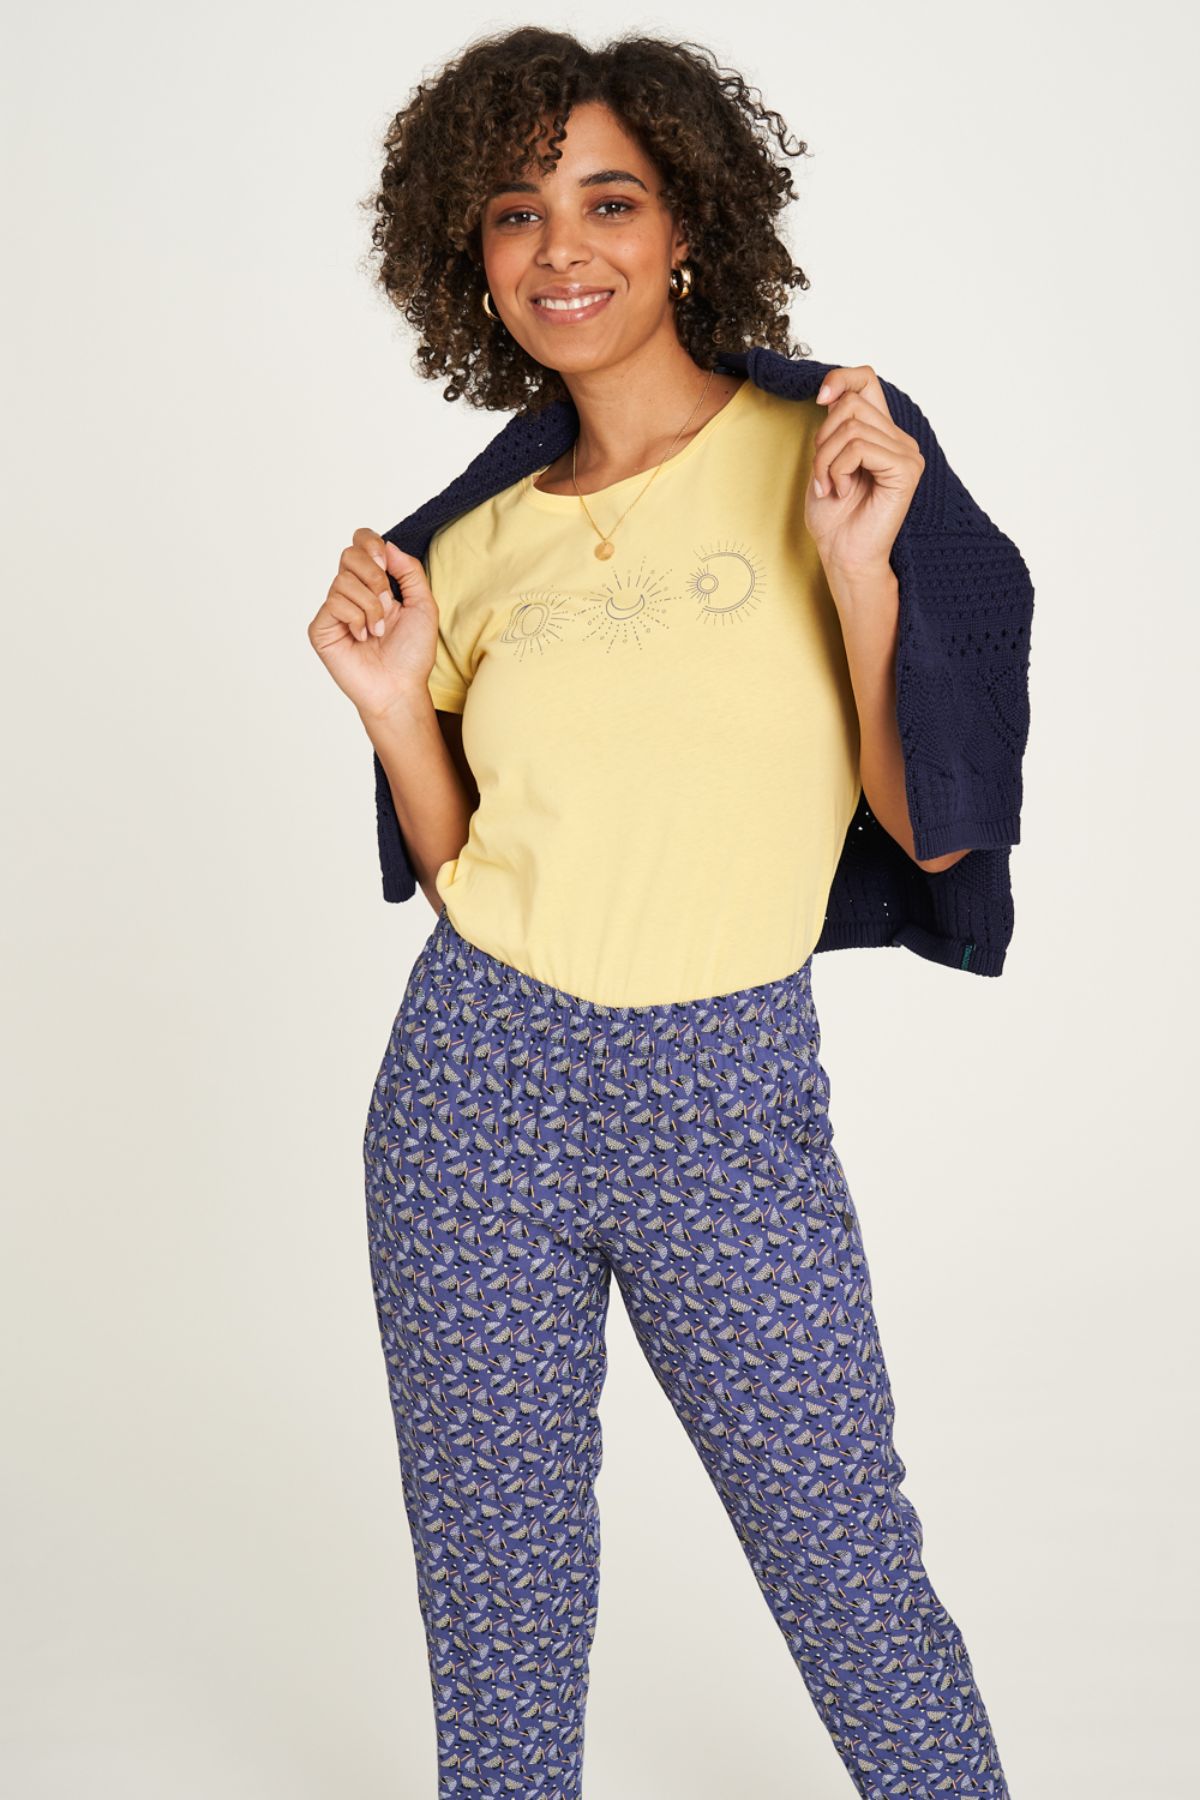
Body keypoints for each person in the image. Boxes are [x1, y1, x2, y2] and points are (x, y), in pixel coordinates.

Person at [308, 26, 1032, 1800]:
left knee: (852, 1575)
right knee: (499, 1607)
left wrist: (860, 571)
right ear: (471, 258)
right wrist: (398, 710)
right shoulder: (473, 542)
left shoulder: (829, 452)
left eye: (608, 201)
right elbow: (470, 862)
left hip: (727, 1092)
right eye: (516, 213)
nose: (562, 248)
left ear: (689, 222)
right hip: (474, 1088)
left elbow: (925, 823)